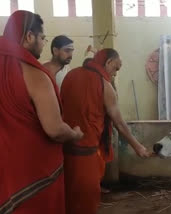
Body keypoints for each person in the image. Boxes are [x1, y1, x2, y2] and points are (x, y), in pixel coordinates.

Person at [0, 10, 83, 214]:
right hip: (32, 176)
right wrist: (74, 134)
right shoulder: (34, 72)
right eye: (42, 38)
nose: (43, 43)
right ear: (29, 36)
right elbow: (54, 129)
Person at [61, 48, 152, 214]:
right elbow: (119, 122)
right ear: (108, 62)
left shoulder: (70, 75)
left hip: (65, 150)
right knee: (87, 199)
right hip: (87, 153)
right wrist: (138, 146)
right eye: (116, 68)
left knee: (69, 196)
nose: (115, 73)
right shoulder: (104, 85)